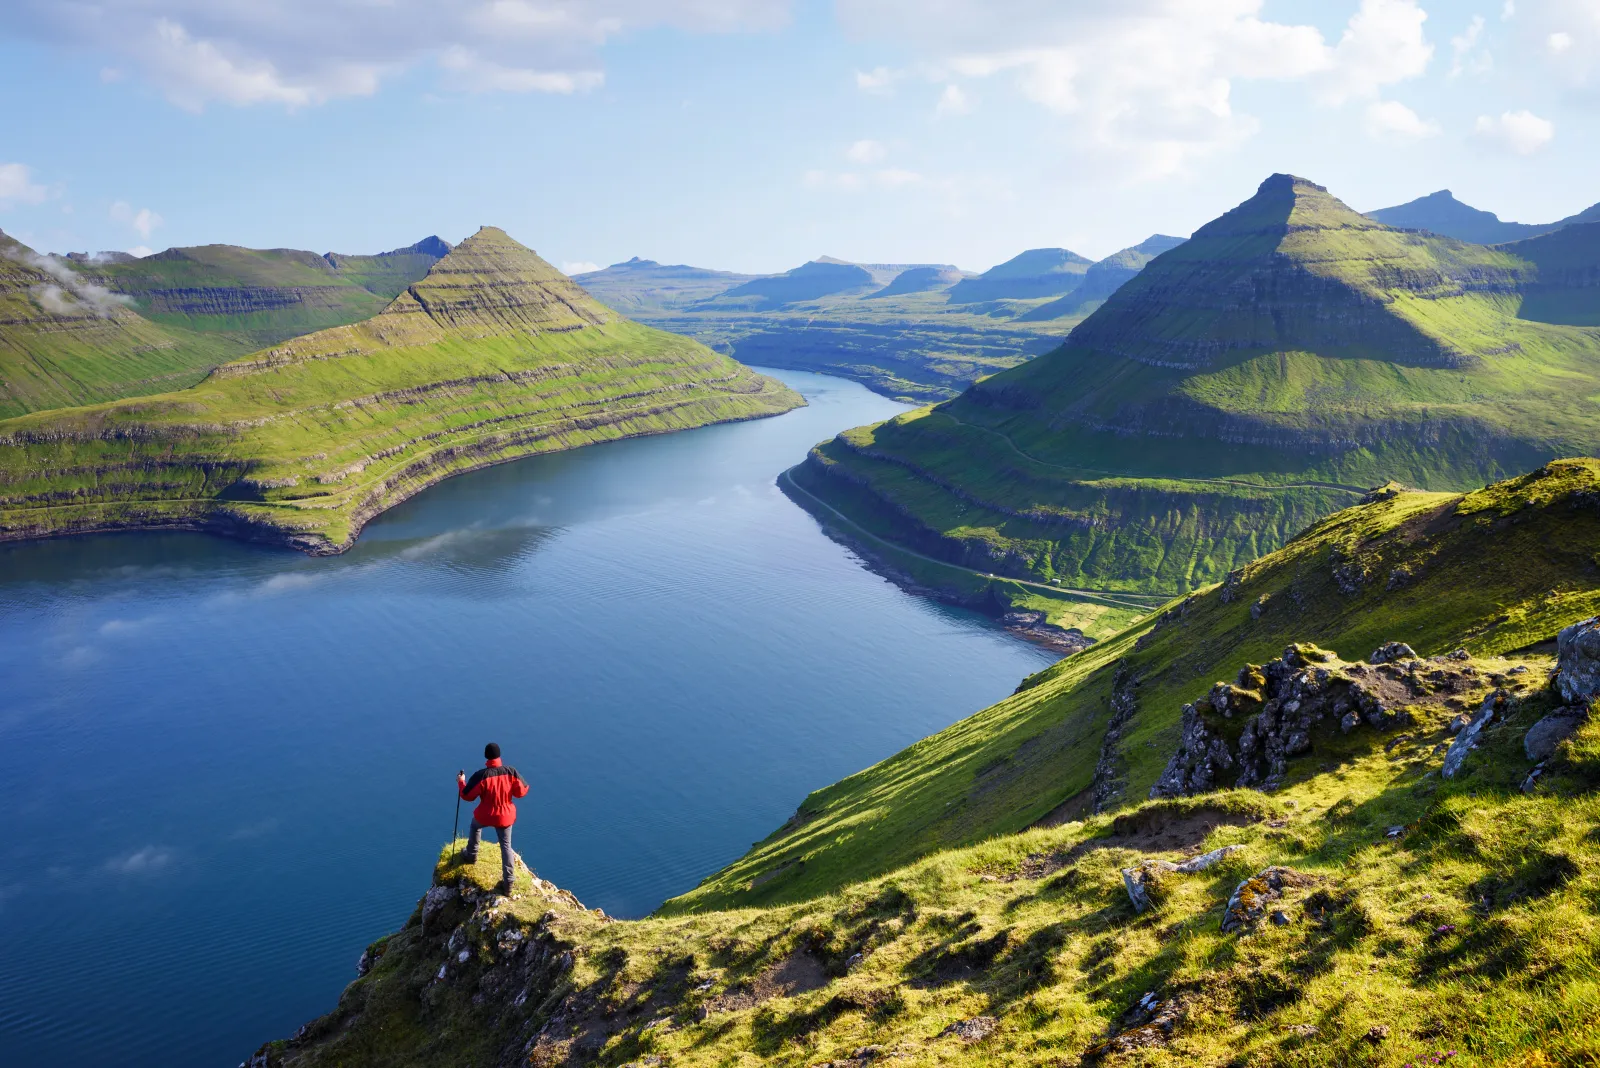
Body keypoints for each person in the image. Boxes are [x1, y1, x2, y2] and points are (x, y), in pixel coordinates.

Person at [457, 742, 529, 895]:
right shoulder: (511, 772)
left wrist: (461, 782)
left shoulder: (481, 776)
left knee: (475, 826)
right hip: (505, 816)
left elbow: (467, 796)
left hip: (486, 814)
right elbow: (522, 792)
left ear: (486, 757)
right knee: (506, 846)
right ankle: (508, 883)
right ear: (499, 756)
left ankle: (471, 854)